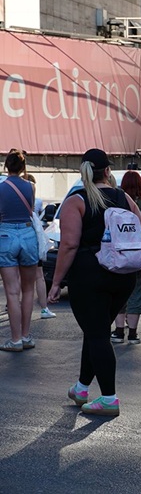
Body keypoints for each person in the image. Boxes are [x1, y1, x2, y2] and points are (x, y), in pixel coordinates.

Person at [47, 149, 141, 416]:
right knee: (95, 330)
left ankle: (109, 398)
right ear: (108, 171)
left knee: (97, 334)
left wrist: (55, 282)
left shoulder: (76, 201)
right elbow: (139, 241)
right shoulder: (126, 199)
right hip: (123, 277)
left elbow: (70, 245)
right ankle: (82, 388)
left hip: (89, 276)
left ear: (83, 171)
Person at [111, 171, 141, 345]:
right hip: (139, 251)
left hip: (118, 251)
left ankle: (117, 332)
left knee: (118, 289)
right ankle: (132, 334)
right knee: (138, 289)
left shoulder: (116, 202)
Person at [0, 150, 38, 352]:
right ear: (23, 167)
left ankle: (14, 340)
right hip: (27, 235)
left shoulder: (0, 188)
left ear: (6, 166)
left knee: (12, 292)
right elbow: (30, 210)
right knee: (28, 289)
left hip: (5, 235)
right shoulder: (30, 187)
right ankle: (25, 336)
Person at [21, 173, 57, 319]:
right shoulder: (35, 199)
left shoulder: (8, 193)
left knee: (17, 277)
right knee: (39, 276)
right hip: (32, 235)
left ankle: (14, 305)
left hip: (14, 236)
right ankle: (44, 309)